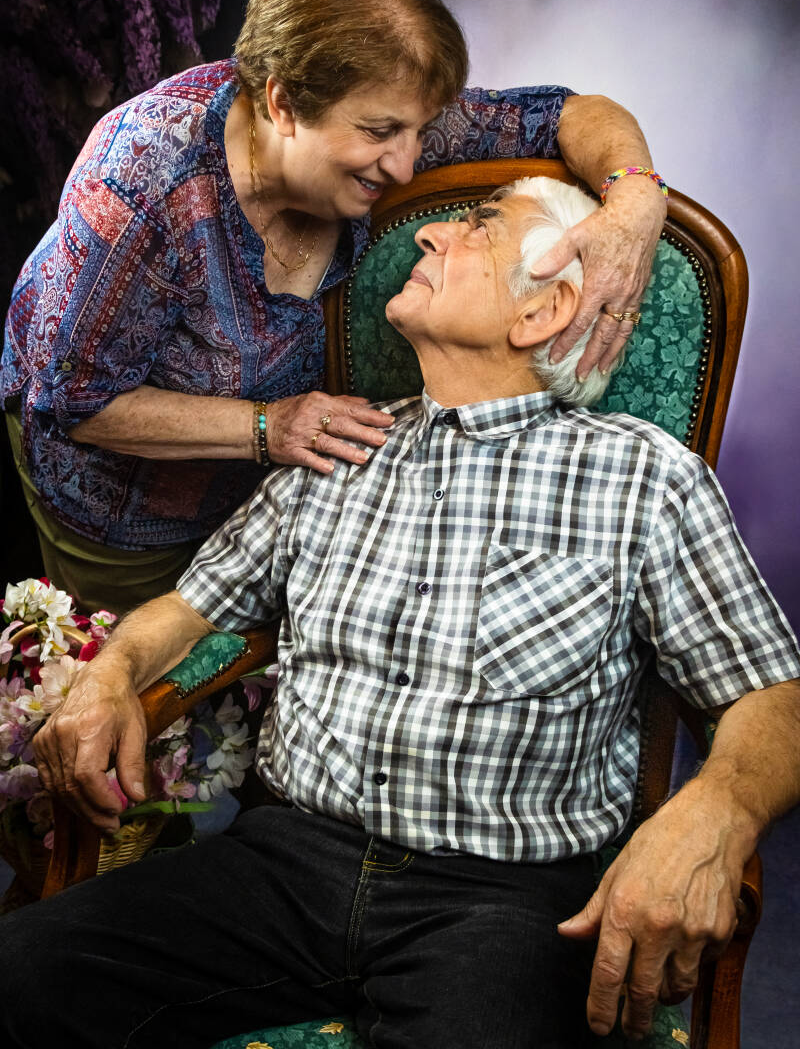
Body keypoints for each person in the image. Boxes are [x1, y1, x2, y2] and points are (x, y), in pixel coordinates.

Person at [3, 177, 797, 1049]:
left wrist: (714, 809)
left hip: (502, 903)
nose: (424, 239)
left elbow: (774, 698)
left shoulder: (645, 478)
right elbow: (192, 610)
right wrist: (113, 673)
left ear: (544, 312)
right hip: (281, 866)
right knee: (22, 974)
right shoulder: (338, 442)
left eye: (476, 228)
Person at [0, 0, 667, 616]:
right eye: (381, 132)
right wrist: (268, 427)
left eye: (419, 129)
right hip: (124, 505)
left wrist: (637, 200)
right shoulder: (141, 183)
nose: (407, 164)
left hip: (273, 506)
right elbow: (76, 403)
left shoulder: (396, 122)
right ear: (283, 103)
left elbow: (570, 114)